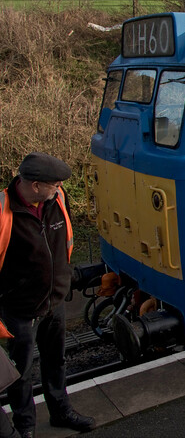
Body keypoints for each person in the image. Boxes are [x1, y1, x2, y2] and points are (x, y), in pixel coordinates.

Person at [0, 153, 97, 437]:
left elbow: (62, 243)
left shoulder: (56, 200)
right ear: (34, 186)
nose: (59, 189)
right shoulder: (4, 211)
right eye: (53, 185)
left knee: (56, 360)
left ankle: (60, 411)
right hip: (19, 310)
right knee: (21, 372)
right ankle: (25, 425)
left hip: (54, 303)